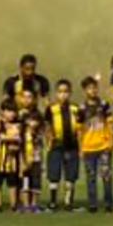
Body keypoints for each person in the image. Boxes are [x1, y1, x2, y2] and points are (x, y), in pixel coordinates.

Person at [77, 76, 113, 213]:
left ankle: (108, 203)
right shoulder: (81, 108)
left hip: (103, 146)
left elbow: (110, 124)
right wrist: (80, 147)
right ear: (85, 90)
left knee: (106, 175)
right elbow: (79, 129)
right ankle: (92, 204)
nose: (93, 91)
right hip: (88, 147)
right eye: (89, 88)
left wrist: (111, 140)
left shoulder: (104, 105)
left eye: (94, 88)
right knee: (91, 177)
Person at [44, 79, 81, 212]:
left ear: (70, 93)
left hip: (72, 145)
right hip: (56, 145)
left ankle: (68, 202)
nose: (63, 95)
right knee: (54, 173)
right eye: (60, 92)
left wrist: (80, 145)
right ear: (56, 94)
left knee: (71, 175)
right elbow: (47, 125)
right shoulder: (51, 109)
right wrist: (49, 138)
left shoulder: (75, 109)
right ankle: (53, 201)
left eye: (66, 92)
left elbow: (80, 127)